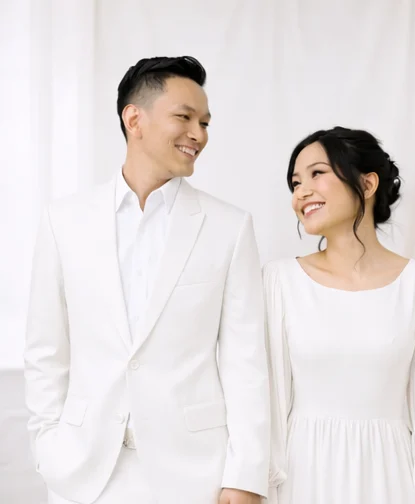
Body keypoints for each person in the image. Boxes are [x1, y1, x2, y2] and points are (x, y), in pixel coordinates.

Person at [24, 56, 270, 504]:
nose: (199, 134)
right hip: (83, 474)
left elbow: (246, 361)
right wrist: (48, 447)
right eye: (185, 117)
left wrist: (246, 474)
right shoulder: (64, 221)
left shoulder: (229, 227)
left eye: (205, 123)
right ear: (134, 119)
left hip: (194, 473)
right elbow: (46, 349)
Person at [263, 126, 415, 503]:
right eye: (295, 183)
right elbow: (267, 407)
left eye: (317, 173)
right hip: (303, 479)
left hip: (390, 481)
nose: (301, 192)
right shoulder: (279, 281)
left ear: (368, 183)